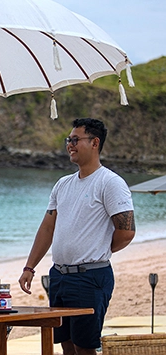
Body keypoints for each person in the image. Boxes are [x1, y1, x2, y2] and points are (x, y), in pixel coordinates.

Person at [18, 118, 135, 355]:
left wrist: (98, 248)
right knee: (66, 343)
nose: (70, 145)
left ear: (94, 142)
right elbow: (47, 228)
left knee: (85, 346)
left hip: (90, 276)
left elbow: (126, 232)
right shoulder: (63, 184)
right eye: (68, 140)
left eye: (75, 139)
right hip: (59, 275)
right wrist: (29, 267)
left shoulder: (110, 183)